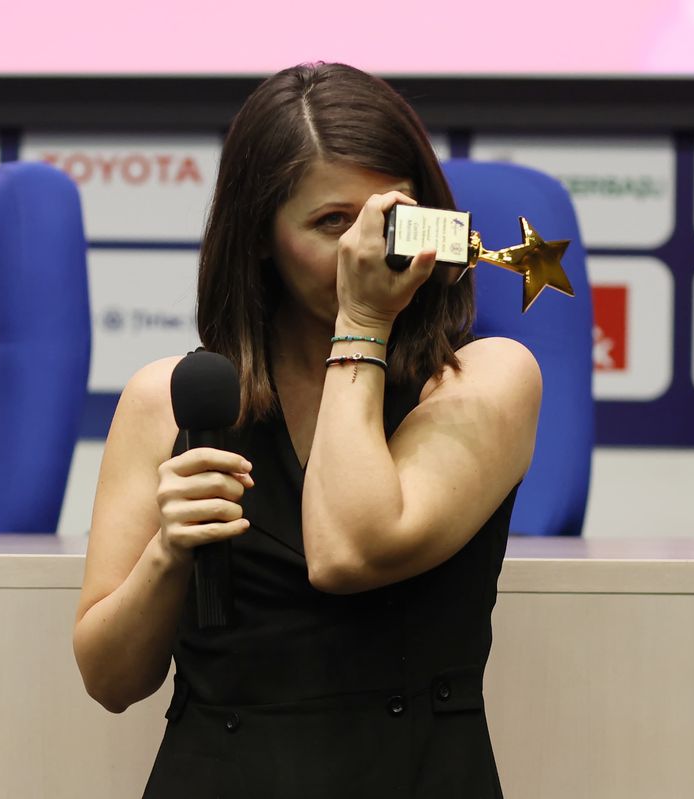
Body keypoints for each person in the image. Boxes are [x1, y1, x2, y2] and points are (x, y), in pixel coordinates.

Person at [73, 62, 541, 798]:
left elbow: (349, 550)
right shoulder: (171, 399)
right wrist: (168, 552)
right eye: (332, 223)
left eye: (387, 219)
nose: (366, 250)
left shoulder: (485, 378)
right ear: (261, 236)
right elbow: (110, 680)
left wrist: (362, 322)